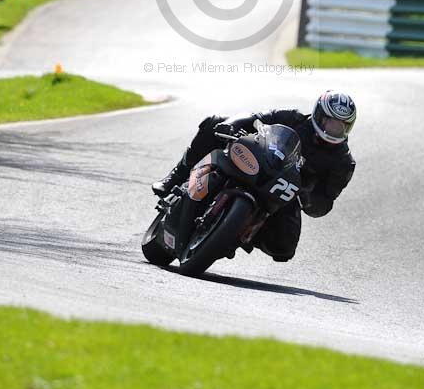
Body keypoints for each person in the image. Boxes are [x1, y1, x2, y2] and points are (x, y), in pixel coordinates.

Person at [152, 90, 357, 263]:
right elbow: (255, 117)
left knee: (284, 248)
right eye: (331, 122)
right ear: (319, 115)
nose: (335, 130)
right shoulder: (292, 118)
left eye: (341, 126)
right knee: (214, 123)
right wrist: (231, 125)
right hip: (256, 163)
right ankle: (176, 177)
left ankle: (240, 233)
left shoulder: (343, 163)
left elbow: (325, 204)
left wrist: (307, 194)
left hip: (283, 194)